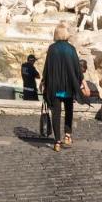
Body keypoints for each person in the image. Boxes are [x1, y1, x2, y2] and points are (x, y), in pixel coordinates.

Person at [40, 23, 83, 152]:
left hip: (54, 86)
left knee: (56, 114)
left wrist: (43, 82)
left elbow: (47, 67)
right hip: (68, 86)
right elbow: (77, 68)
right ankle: (68, 135)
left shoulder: (52, 48)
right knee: (69, 110)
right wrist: (79, 81)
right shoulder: (71, 49)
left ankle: (57, 141)